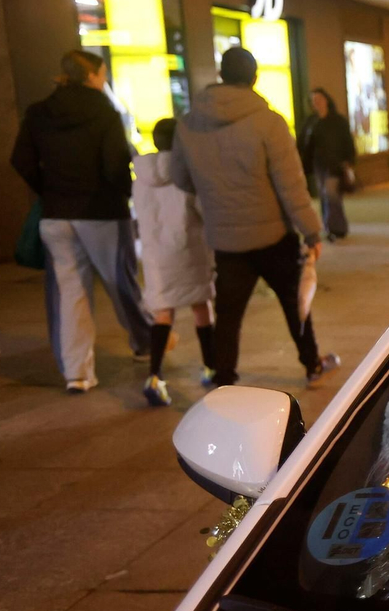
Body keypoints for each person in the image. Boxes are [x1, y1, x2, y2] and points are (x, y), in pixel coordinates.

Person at [172, 46, 340, 387]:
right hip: (273, 236)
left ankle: (224, 377)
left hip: (225, 238)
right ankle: (312, 364)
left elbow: (181, 178)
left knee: (229, 314)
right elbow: (291, 185)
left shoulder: (189, 124)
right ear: (254, 77)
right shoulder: (269, 122)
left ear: (221, 75)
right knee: (295, 304)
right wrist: (311, 231)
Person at [10, 49, 152, 393]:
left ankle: (77, 373)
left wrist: (50, 191)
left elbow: (21, 159)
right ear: (91, 76)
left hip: (57, 215)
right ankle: (146, 343)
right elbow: (115, 165)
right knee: (122, 283)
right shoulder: (104, 112)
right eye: (102, 74)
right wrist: (128, 195)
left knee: (69, 293)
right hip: (102, 212)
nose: (104, 80)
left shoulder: (38, 112)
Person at [132, 117, 215, 407]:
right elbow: (203, 212)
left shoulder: (139, 178)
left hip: (156, 256)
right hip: (188, 251)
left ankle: (154, 376)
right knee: (201, 305)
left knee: (162, 313)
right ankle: (212, 367)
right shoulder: (186, 175)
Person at [299, 87, 356, 242]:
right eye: (314, 101)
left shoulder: (338, 121)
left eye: (319, 99)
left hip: (335, 164)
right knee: (325, 196)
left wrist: (348, 161)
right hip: (318, 165)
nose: (317, 103)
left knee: (331, 195)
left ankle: (336, 228)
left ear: (326, 100)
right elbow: (303, 143)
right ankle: (331, 226)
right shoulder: (311, 122)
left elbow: (347, 141)